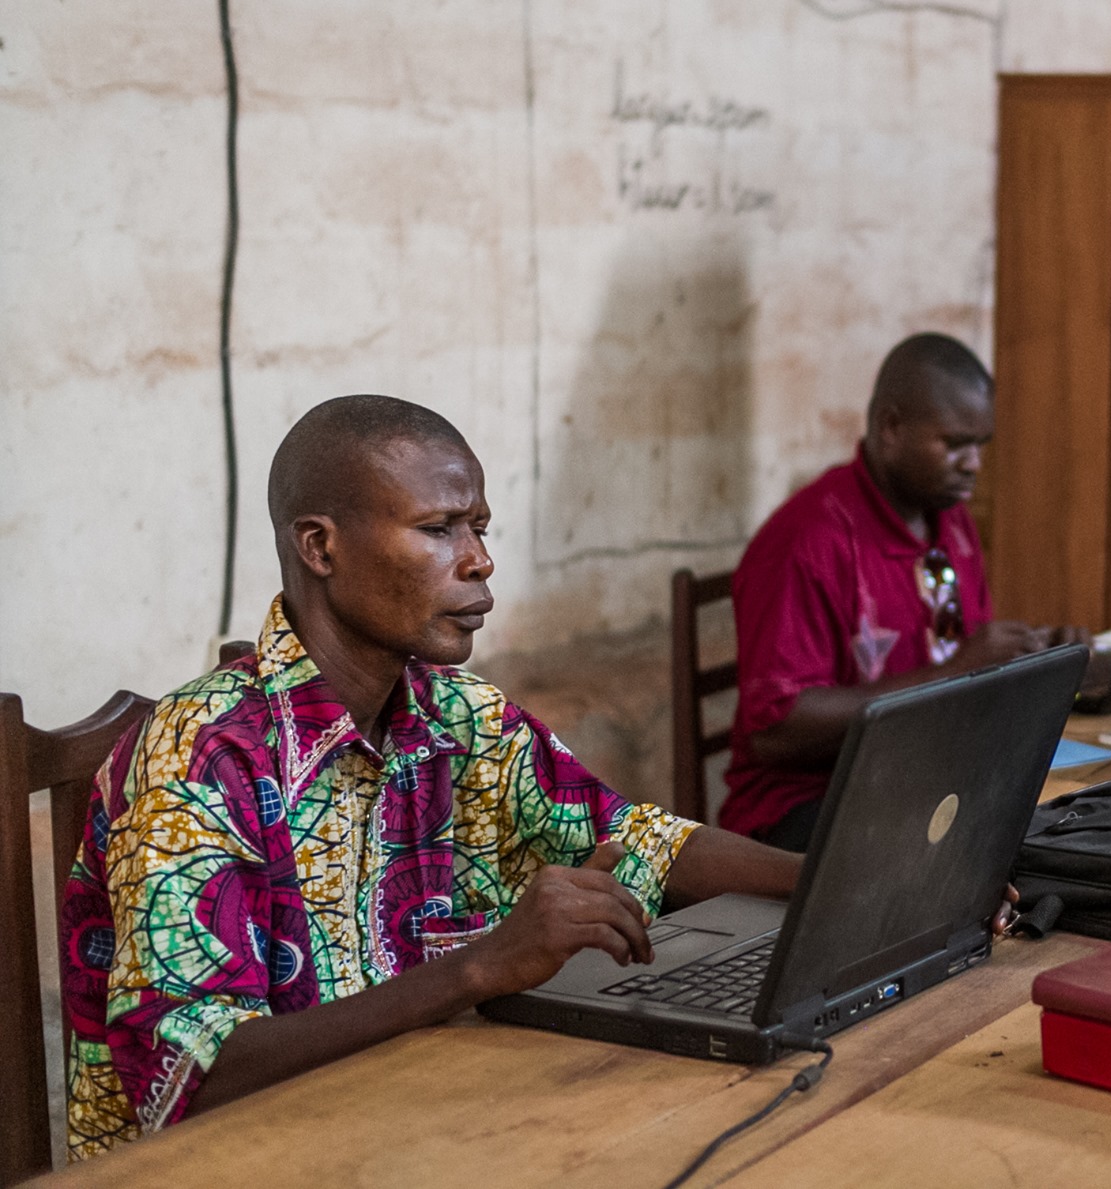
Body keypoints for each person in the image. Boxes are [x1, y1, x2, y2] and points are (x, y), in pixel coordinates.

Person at [62, 396, 805, 1160]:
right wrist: (481, 966)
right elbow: (194, 1080)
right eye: (438, 528)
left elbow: (641, 838)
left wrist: (830, 879)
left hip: (417, 1132)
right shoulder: (202, 755)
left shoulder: (456, 714)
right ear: (320, 547)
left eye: (478, 527)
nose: (479, 558)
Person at [721, 333, 1086, 851]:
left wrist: (1039, 661)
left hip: (920, 778)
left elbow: (954, 645)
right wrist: (953, 672)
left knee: (1074, 827)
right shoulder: (808, 542)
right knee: (992, 859)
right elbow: (776, 731)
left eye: (981, 446)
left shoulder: (948, 524)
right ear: (891, 427)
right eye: (955, 443)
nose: (974, 465)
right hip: (810, 804)